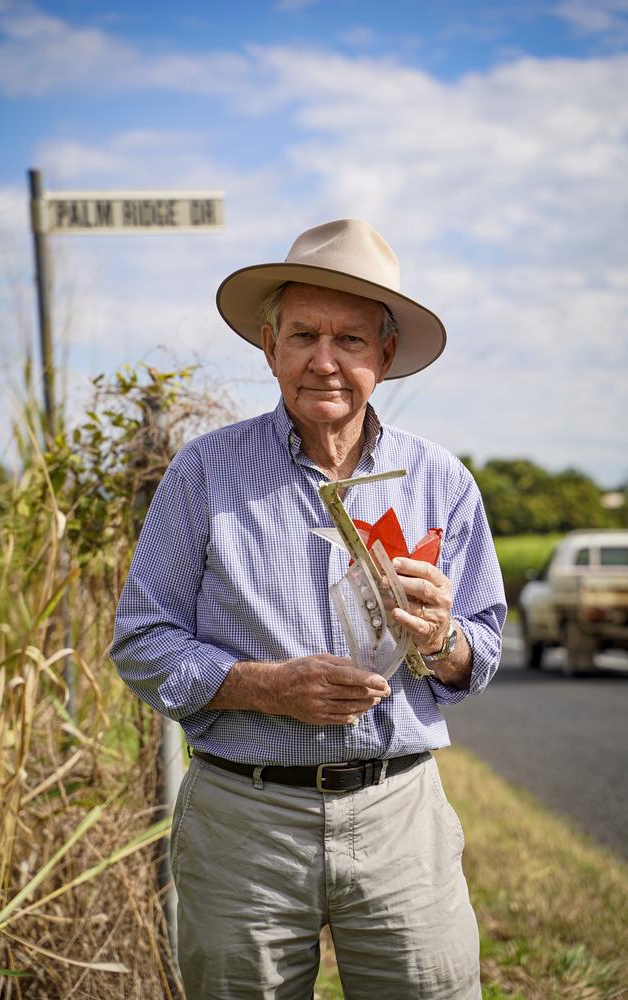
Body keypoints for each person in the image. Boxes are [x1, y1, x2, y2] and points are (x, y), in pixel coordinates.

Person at [111, 218, 506, 1000]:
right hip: (242, 824)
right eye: (304, 336)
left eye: (351, 340)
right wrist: (262, 686)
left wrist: (441, 636)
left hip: (400, 814)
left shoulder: (442, 480)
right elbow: (140, 639)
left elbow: (481, 651)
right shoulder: (206, 473)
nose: (325, 361)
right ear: (270, 346)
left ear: (385, 356)